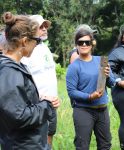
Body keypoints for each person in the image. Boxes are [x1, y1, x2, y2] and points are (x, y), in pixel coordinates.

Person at [0, 12, 55, 150]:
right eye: (37, 40)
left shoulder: (16, 67)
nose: (37, 44)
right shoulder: (9, 72)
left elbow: (17, 104)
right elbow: (18, 116)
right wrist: (46, 105)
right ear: (25, 41)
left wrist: (39, 99)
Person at [66, 24, 115, 150]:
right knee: (82, 146)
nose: (84, 45)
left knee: (105, 145)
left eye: (87, 42)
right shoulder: (74, 67)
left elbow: (111, 83)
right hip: (83, 110)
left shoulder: (102, 61)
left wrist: (108, 75)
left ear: (92, 44)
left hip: (102, 110)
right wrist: (89, 96)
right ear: (76, 44)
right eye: (80, 42)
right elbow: (72, 92)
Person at [21, 15, 60, 148]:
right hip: (37, 105)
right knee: (37, 140)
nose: (44, 29)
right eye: (40, 27)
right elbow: (25, 80)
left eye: (45, 27)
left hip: (52, 103)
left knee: (50, 134)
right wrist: (39, 97)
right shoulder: (26, 51)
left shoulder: (45, 48)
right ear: (31, 30)